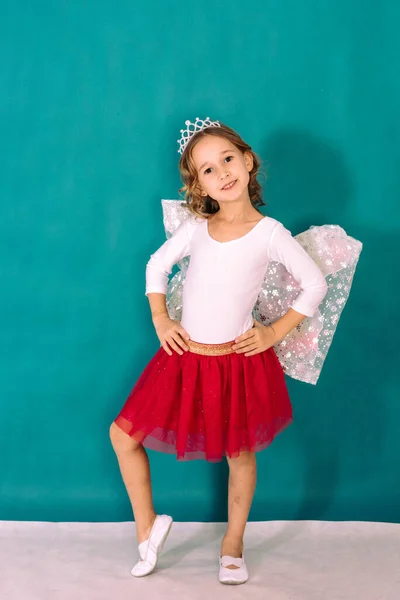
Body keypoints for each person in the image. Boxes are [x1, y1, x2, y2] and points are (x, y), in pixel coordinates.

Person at [109, 117, 331, 585]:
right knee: (122, 435)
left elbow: (314, 285)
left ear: (248, 161)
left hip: (238, 364)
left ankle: (233, 544)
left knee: (240, 455)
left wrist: (274, 334)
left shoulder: (269, 233)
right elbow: (156, 265)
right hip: (184, 357)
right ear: (199, 184)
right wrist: (161, 319)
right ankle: (148, 529)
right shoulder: (197, 228)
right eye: (208, 169)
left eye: (228, 159)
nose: (223, 173)